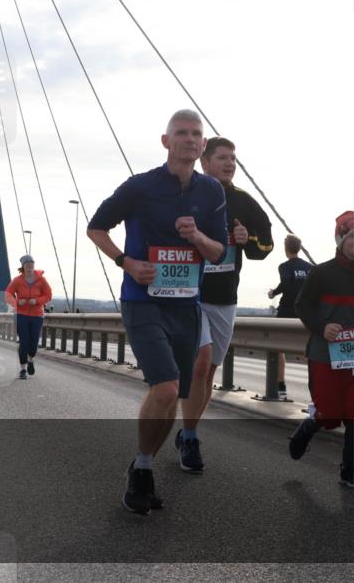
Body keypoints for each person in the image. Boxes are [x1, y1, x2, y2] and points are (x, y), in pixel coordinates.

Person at [88, 109, 227, 515]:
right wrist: (126, 262)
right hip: (142, 300)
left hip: (186, 306)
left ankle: (143, 463)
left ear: (203, 146)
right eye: (180, 133)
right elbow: (96, 227)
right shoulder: (140, 186)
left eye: (196, 134)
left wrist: (196, 235)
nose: (188, 139)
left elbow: (218, 251)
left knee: (175, 396)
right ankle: (143, 469)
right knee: (165, 388)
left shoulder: (212, 192)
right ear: (166, 141)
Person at [174, 137, 273, 473]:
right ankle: (189, 438)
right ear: (204, 161)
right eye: (222, 158)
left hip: (224, 296)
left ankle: (189, 429)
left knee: (209, 372)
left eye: (233, 158)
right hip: (188, 292)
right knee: (200, 365)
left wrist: (249, 241)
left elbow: (266, 245)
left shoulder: (244, 201)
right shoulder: (186, 191)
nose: (230, 163)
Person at [288, 211, 354, 489]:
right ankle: (311, 425)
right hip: (326, 355)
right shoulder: (322, 273)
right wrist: (322, 327)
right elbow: (302, 306)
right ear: (341, 239)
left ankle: (349, 469)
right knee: (331, 415)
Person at [269, 234, 314, 399]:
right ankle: (315, 387)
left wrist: (273, 292)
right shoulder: (310, 268)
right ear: (300, 248)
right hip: (304, 313)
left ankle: (281, 384)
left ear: (286, 249)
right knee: (307, 350)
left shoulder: (284, 267)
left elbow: (286, 284)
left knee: (278, 349)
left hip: (286, 311)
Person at [4, 256, 53, 380]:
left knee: (33, 343)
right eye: (27, 264)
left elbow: (48, 295)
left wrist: (36, 301)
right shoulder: (17, 281)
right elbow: (8, 295)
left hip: (37, 315)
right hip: (21, 315)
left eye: (32, 263)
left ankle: (31, 359)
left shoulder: (41, 280)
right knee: (24, 342)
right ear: (23, 266)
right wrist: (16, 302)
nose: (30, 265)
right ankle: (23, 369)